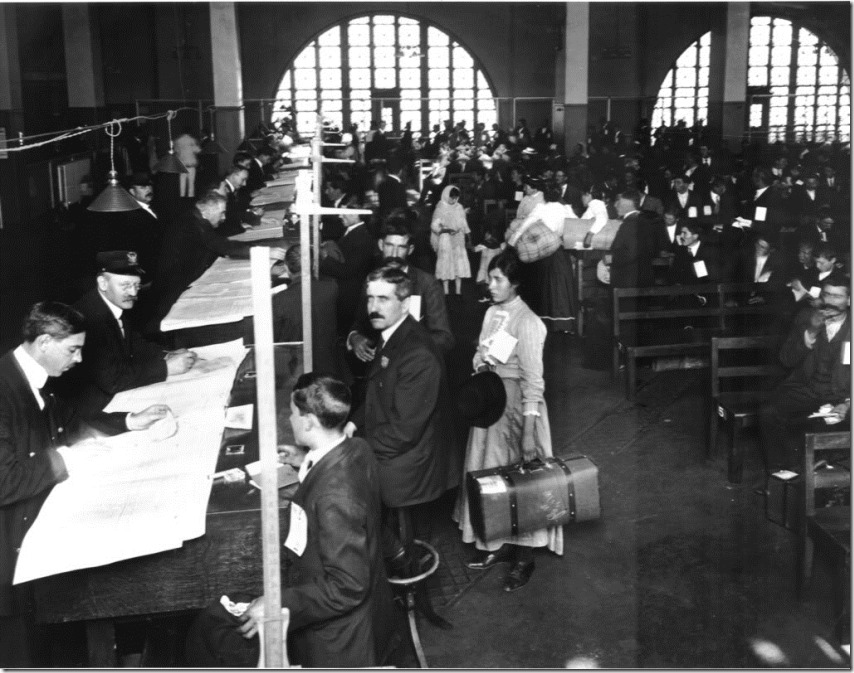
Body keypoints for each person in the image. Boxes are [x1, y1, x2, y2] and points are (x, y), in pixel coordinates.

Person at [0, 301, 171, 667]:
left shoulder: (33, 378)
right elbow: (4, 481)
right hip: (9, 552)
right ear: (45, 342)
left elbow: (72, 424)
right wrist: (67, 458)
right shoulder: (3, 389)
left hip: (37, 524)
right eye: (72, 349)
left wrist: (130, 421)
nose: (78, 359)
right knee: (22, 653)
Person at [236, 374, 396, 667]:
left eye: (293, 414)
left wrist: (279, 603)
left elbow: (348, 586)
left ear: (309, 421)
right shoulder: (358, 447)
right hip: (367, 608)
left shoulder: (335, 498)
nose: (290, 420)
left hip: (340, 639)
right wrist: (306, 459)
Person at [453, 249, 563, 592]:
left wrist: (528, 434)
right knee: (491, 476)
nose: (491, 284)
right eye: (490, 278)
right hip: (491, 403)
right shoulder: (491, 313)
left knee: (522, 481)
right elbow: (479, 352)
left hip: (518, 411)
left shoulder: (528, 322)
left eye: (498, 279)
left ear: (515, 283)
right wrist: (482, 362)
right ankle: (499, 543)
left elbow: (534, 383)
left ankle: (524, 557)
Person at [349, 266, 453, 572]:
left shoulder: (417, 353)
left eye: (383, 299)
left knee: (342, 492)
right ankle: (389, 552)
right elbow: (377, 390)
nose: (373, 307)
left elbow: (403, 433)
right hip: (397, 444)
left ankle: (394, 560)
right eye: (370, 298)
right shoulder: (393, 334)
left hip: (409, 461)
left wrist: (353, 448)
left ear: (405, 304)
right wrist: (353, 424)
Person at [56, 251, 197, 413]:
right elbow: (112, 379)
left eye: (137, 285)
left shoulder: (112, 301)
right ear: (103, 283)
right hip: (92, 407)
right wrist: (166, 368)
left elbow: (132, 343)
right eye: (125, 286)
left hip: (112, 390)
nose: (133, 293)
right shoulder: (88, 319)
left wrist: (166, 354)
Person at [758, 277, 850, 481]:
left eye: (837, 296)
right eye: (827, 294)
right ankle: (780, 478)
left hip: (844, 396)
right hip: (806, 389)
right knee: (769, 412)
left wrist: (848, 404)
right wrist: (812, 331)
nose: (830, 301)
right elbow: (786, 359)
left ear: (850, 300)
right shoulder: (806, 317)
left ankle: (822, 476)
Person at [347, 215, 455, 367]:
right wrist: (354, 337)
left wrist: (403, 348)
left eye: (401, 247)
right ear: (380, 245)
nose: (394, 254)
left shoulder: (427, 283)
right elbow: (360, 322)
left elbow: (444, 338)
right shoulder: (371, 279)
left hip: (414, 367)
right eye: (389, 245)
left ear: (410, 250)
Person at [272, 245, 338, 375]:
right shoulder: (332, 288)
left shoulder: (280, 299)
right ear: (313, 265)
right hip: (328, 363)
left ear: (286, 267)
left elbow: (275, 338)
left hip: (294, 367)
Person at [319, 197, 378, 338]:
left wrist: (324, 258)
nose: (340, 216)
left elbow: (347, 271)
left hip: (349, 297)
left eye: (343, 212)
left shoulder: (363, 238)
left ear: (356, 214)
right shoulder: (353, 231)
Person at [430, 185, 471, 295]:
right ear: (446, 195)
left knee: (458, 264)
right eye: (451, 198)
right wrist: (446, 230)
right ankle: (446, 291)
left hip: (458, 239)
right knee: (446, 264)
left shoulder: (459, 207)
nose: (453, 200)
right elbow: (434, 226)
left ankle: (458, 291)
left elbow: (463, 223)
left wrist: (467, 234)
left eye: (456, 198)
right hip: (446, 239)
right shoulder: (440, 208)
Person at [173, 128, 201, 198]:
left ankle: (182, 196)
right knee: (191, 183)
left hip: (182, 165)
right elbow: (198, 150)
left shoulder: (178, 140)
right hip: (191, 165)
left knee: (182, 182)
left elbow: (175, 151)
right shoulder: (192, 140)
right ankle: (190, 197)